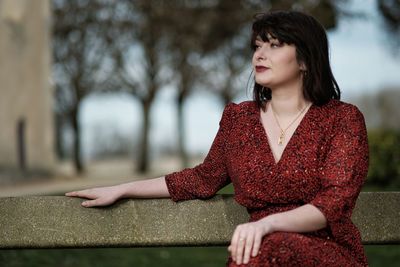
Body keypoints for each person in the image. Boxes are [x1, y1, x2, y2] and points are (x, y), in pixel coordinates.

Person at [66, 10, 369, 266]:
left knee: (268, 248)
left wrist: (267, 224)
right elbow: (202, 179)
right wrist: (123, 188)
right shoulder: (239, 120)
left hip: (326, 251)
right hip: (258, 251)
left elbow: (333, 204)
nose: (260, 55)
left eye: (274, 46)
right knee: (260, 251)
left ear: (305, 60)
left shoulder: (342, 119)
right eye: (257, 46)